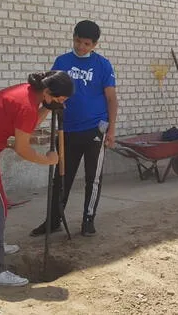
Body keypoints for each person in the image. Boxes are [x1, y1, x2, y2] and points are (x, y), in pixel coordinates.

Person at [0, 71, 74, 286]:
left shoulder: (30, 94)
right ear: (47, 91)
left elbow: (26, 125)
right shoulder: (27, 105)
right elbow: (22, 147)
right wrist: (48, 160)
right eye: (60, 99)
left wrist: (47, 107)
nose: (62, 104)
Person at [31, 20, 118, 238]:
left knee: (93, 178)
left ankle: (88, 219)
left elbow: (111, 98)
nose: (81, 47)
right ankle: (54, 220)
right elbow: (50, 92)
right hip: (66, 130)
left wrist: (112, 130)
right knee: (61, 177)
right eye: (78, 41)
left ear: (95, 44)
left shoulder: (103, 65)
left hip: (95, 129)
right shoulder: (62, 61)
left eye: (86, 44)